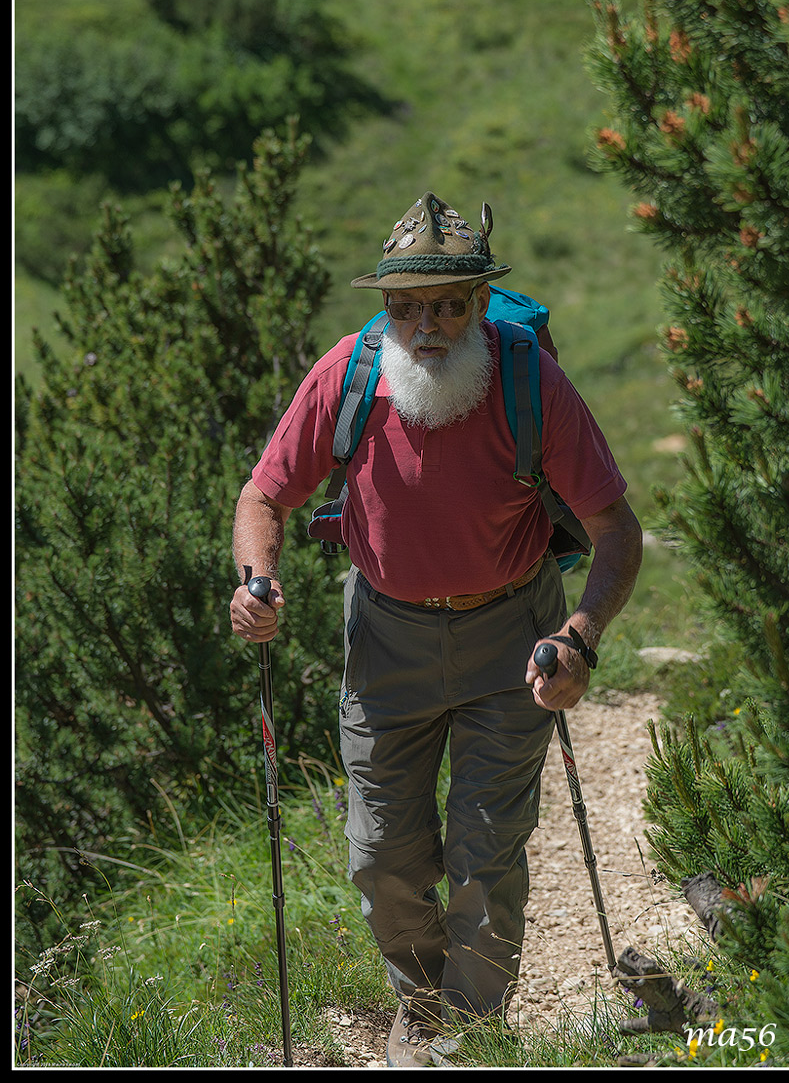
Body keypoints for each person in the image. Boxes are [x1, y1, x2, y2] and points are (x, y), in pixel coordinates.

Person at [230, 192, 643, 1067]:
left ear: (481, 305)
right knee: (381, 859)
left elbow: (616, 528)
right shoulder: (347, 376)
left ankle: (463, 1033)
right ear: (383, 309)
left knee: (485, 852)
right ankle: (419, 1005)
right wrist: (255, 580)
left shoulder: (527, 377)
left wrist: (580, 636)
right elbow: (265, 494)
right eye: (405, 307)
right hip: (385, 639)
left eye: (448, 305)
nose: (427, 327)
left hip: (511, 635)